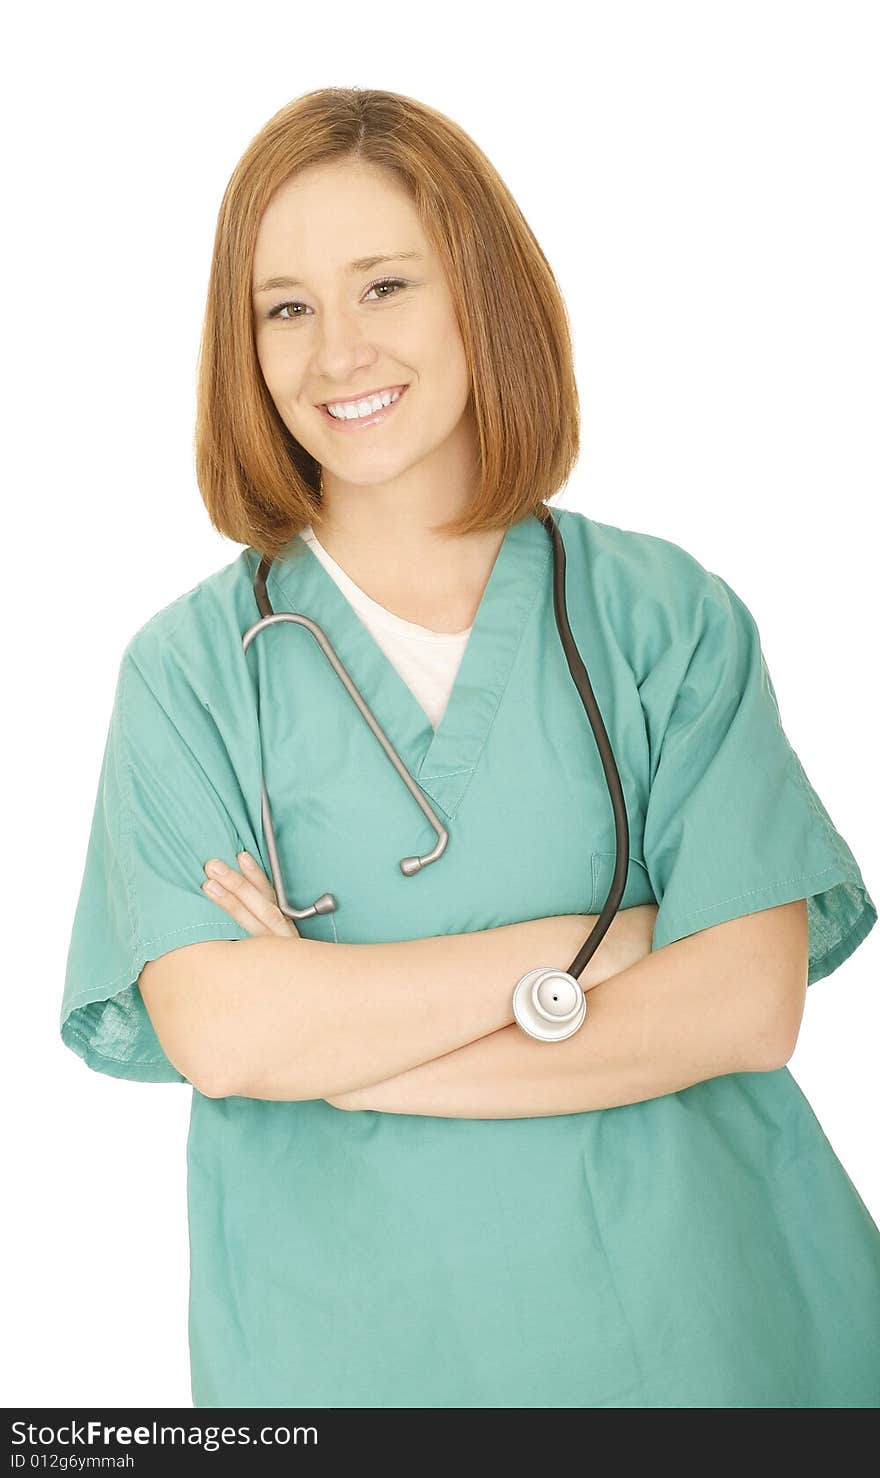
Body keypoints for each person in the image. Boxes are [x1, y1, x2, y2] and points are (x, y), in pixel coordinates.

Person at [60, 86, 880, 1409]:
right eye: (285, 306)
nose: (339, 352)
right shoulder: (195, 672)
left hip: (711, 1340)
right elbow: (223, 1029)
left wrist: (349, 1046)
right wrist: (605, 944)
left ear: (478, 295)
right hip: (353, 1356)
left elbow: (745, 1000)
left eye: (384, 285)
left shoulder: (664, 618)